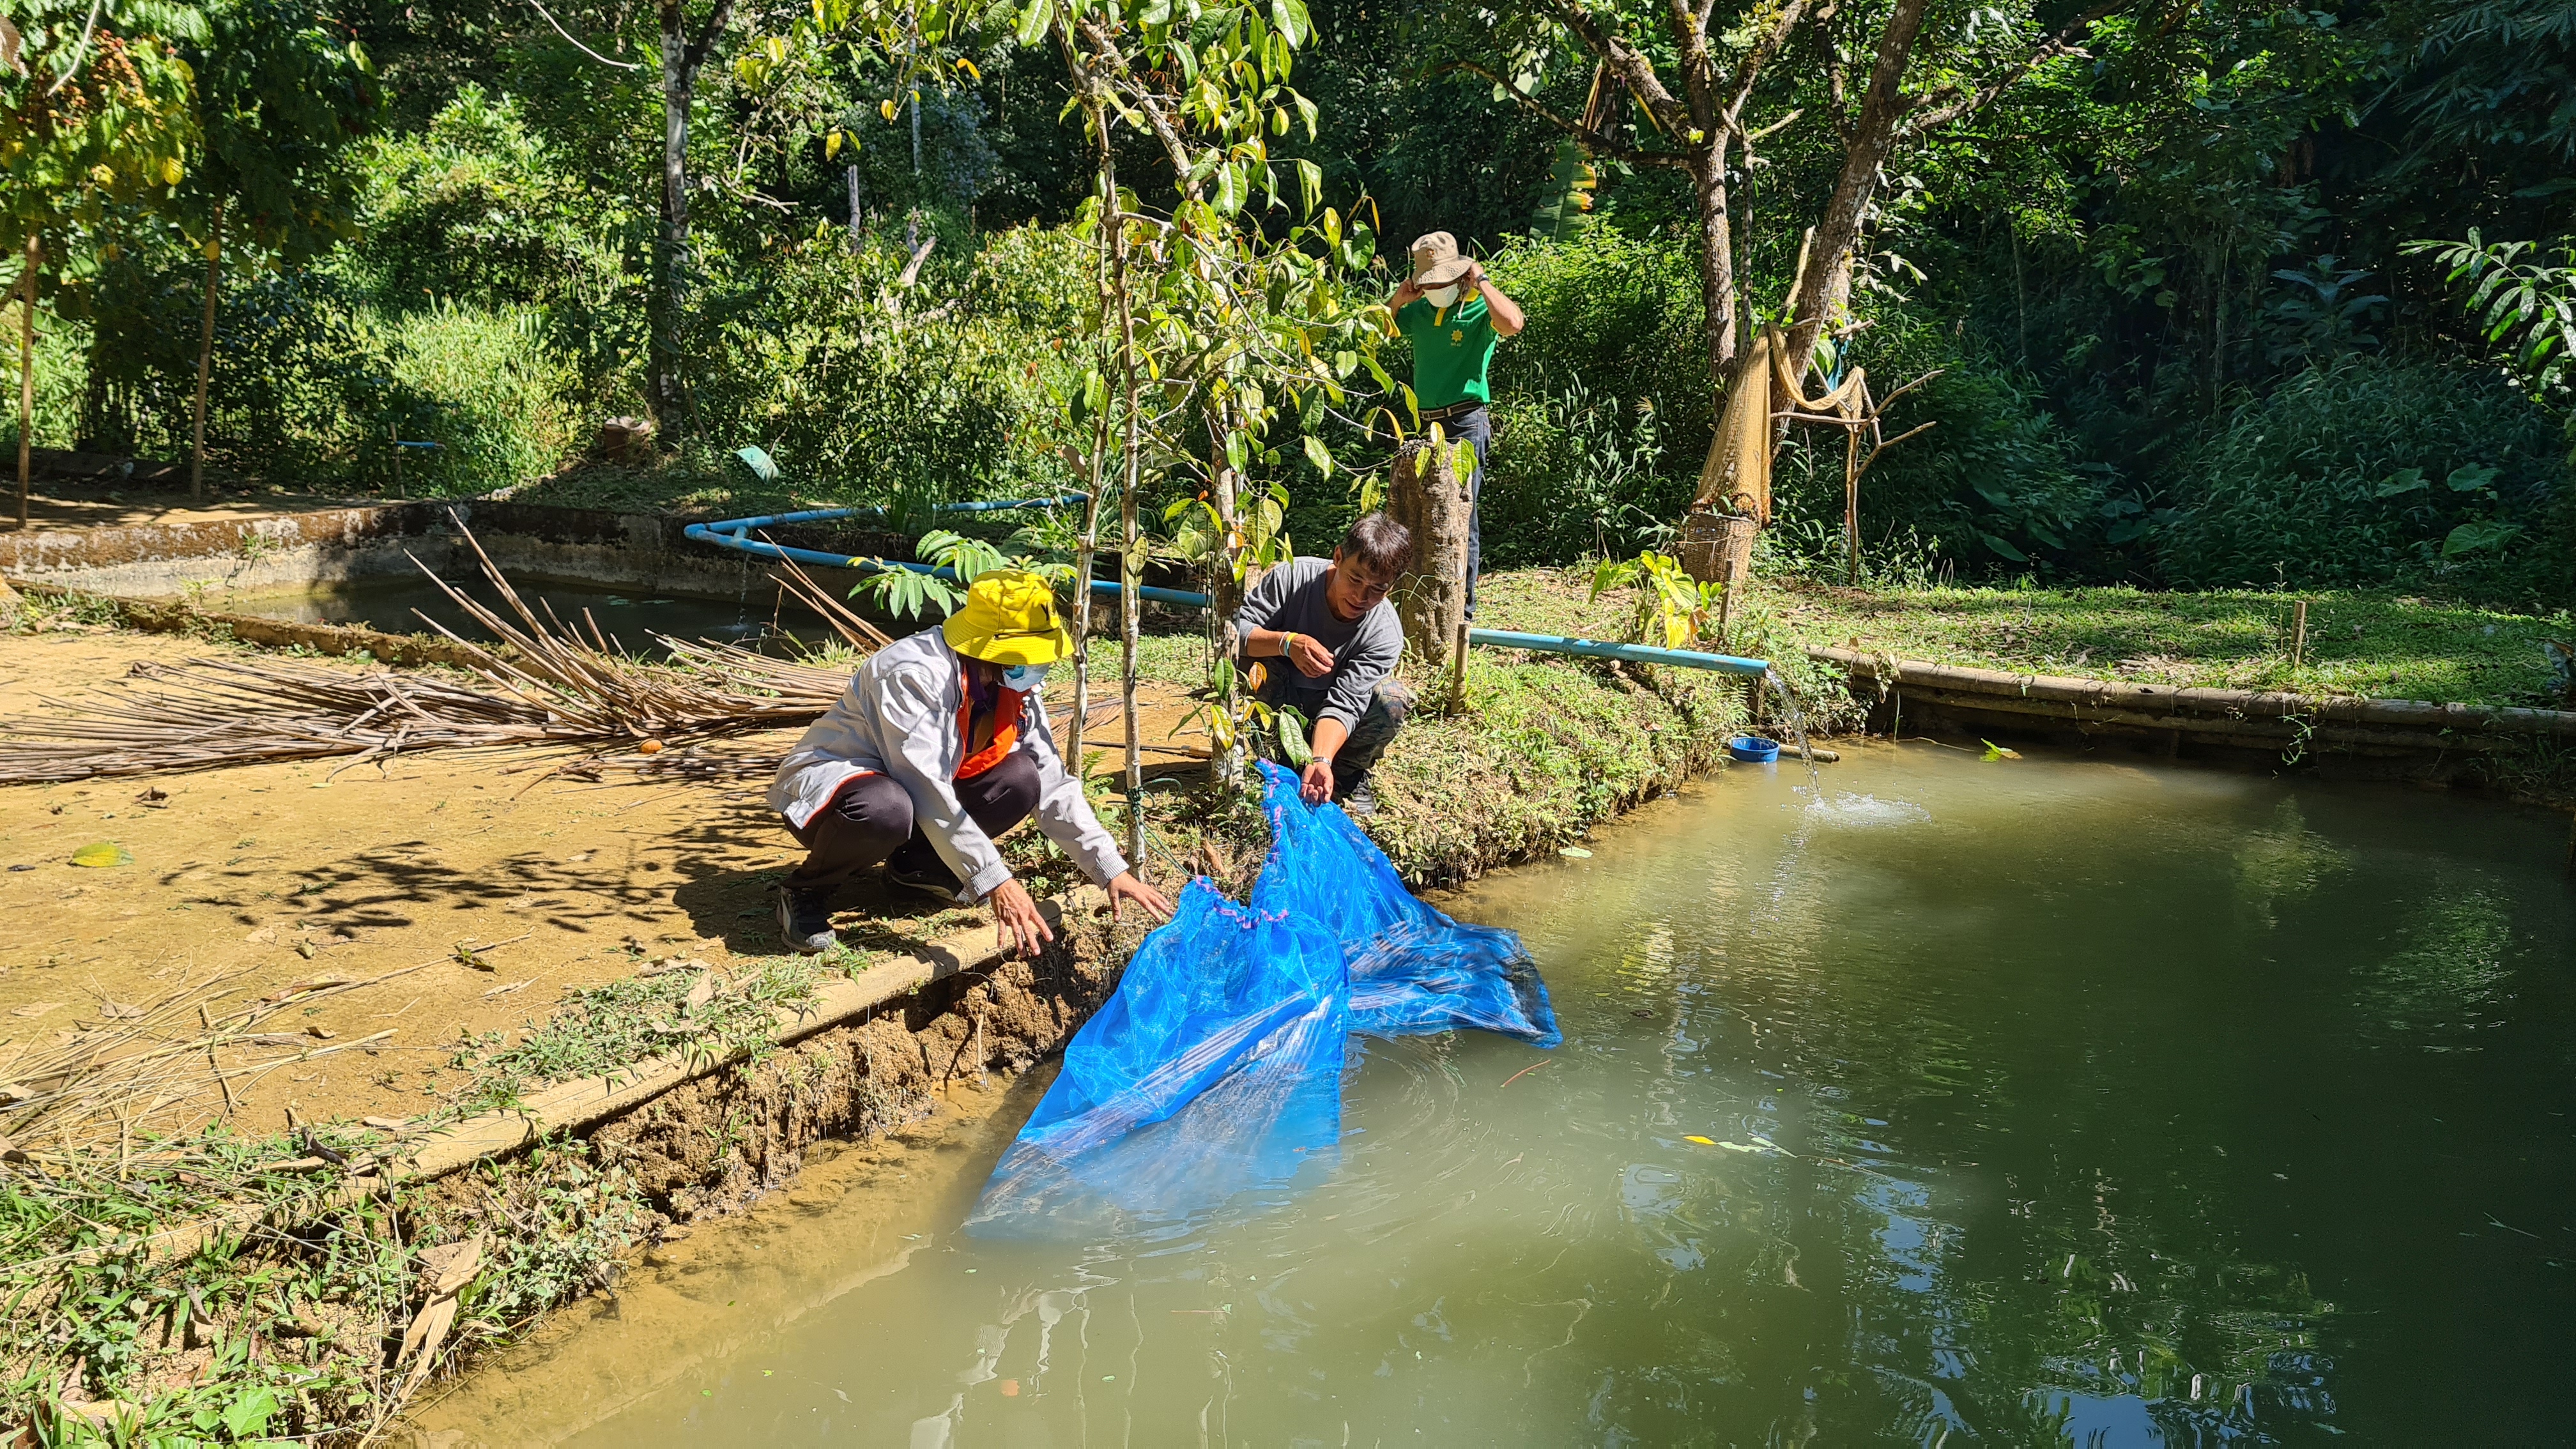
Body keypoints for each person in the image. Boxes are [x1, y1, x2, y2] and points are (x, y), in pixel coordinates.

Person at [767, 569, 1173, 956]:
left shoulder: (1012, 683)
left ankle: (914, 869)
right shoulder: (912, 674)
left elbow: (1051, 778)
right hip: (838, 797)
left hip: (915, 796)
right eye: (1026, 655)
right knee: (887, 807)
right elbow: (926, 786)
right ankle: (807, 891)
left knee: (1021, 777)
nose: (1036, 666)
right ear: (990, 647)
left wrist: (1109, 868)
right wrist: (995, 879)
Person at [1233, 512, 1413, 816]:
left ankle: (1347, 775)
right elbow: (1233, 635)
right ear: (1338, 558)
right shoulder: (1292, 577)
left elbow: (1346, 703)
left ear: (1392, 587)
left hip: (1332, 727)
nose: (1360, 596)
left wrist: (1321, 761)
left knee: (1391, 698)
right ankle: (1277, 756)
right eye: (1355, 579)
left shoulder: (1385, 632)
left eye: (1377, 589)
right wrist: (1286, 643)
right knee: (1251, 659)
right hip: (1278, 703)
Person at [1389, 231, 1524, 618]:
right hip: (1426, 426)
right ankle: (1421, 599)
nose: (1436, 288)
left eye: (1443, 280)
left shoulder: (1480, 308)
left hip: (1466, 422)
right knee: (1422, 511)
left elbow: (1514, 322)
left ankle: (1462, 611)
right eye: (1428, 282)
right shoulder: (1418, 310)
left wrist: (1482, 282)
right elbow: (1376, 333)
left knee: (1463, 514)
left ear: (1461, 275)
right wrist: (1398, 301)